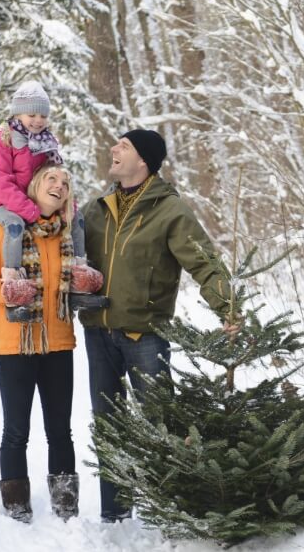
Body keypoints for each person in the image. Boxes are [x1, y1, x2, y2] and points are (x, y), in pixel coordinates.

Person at [79, 129, 240, 523]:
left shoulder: (170, 211)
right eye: (116, 144)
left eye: (124, 146)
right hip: (98, 333)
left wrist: (228, 308)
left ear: (143, 162)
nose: (113, 149)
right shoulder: (95, 210)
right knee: (108, 424)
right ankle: (114, 515)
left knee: (160, 424)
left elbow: (203, 262)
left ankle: (170, 510)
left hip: (145, 336)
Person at [0, 164, 104, 523]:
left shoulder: (68, 236)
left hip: (58, 344)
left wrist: (86, 282)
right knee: (16, 431)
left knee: (60, 430)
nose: (60, 186)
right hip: (15, 346)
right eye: (52, 179)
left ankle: (66, 508)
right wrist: (4, 290)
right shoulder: (6, 232)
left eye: (66, 182)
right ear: (35, 187)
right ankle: (17, 508)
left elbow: (76, 282)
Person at [0, 80, 93, 322]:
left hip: (32, 203)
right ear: (17, 113)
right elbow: (1, 182)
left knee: (77, 218)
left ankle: (77, 281)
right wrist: (28, 211)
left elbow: (53, 175)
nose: (37, 120)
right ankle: (15, 291)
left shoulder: (45, 143)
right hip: (1, 205)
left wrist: (66, 206)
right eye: (31, 114)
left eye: (42, 115)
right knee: (14, 225)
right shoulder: (2, 141)